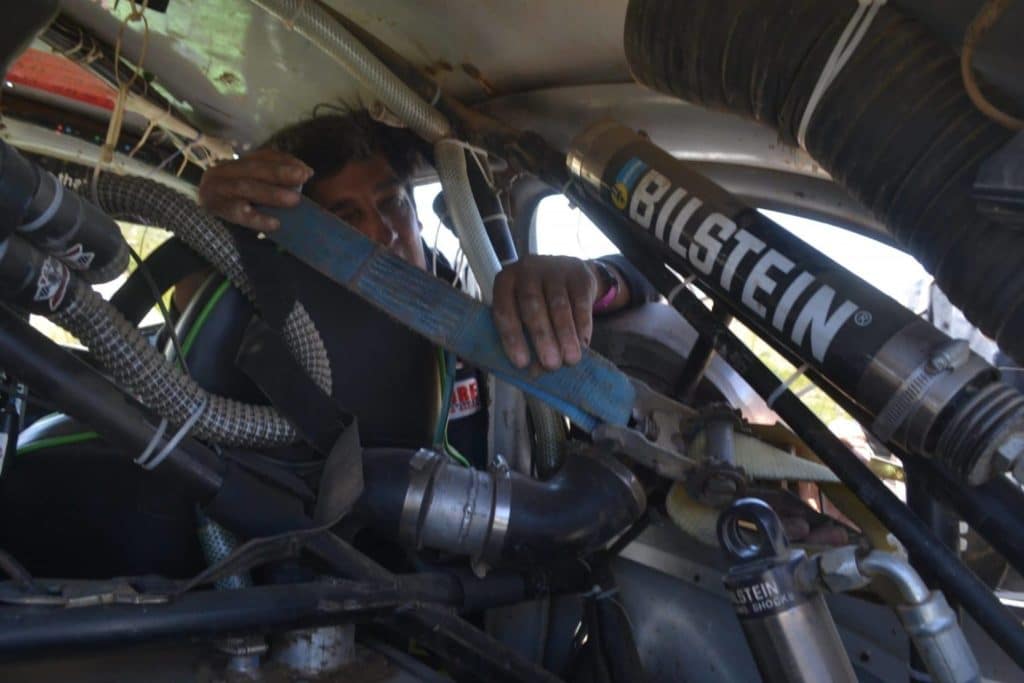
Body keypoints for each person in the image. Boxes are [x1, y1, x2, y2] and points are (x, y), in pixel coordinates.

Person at [196, 111, 657, 461]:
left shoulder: (479, 299)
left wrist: (588, 281)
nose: (384, 230)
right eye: (346, 217)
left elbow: (643, 278)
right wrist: (213, 230)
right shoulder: (283, 345)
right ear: (300, 240)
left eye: (392, 201)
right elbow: (195, 315)